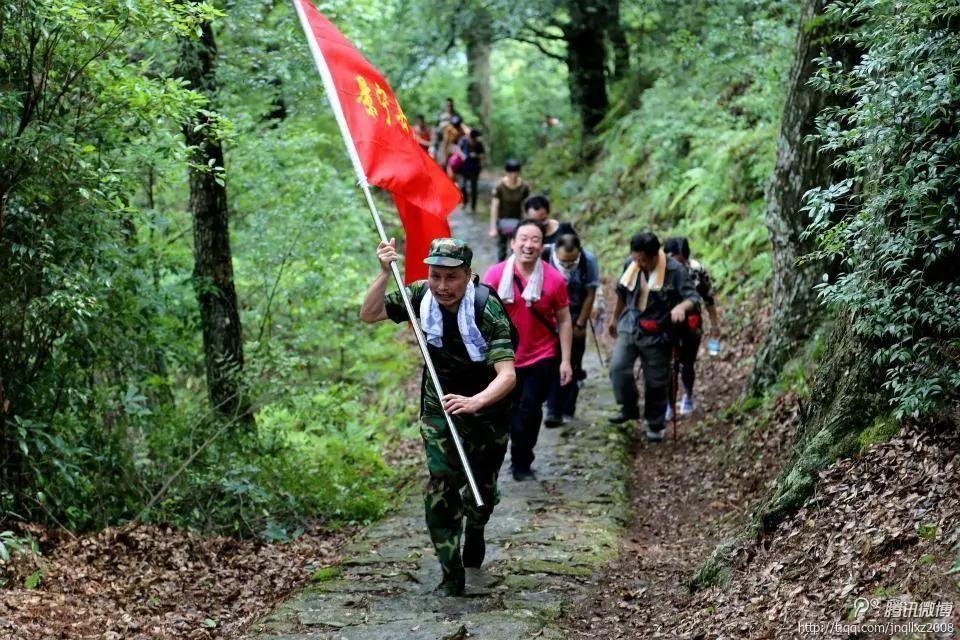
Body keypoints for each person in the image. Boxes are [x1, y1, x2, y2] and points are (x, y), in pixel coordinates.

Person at [360, 237, 517, 596]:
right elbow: (369, 314)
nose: (442, 287)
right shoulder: (417, 295)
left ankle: (476, 526)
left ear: (468, 275)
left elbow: (507, 375)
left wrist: (476, 402)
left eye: (451, 278)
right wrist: (385, 273)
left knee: (483, 489)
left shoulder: (486, 308)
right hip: (440, 407)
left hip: (488, 407)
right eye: (435, 277)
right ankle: (451, 572)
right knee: (442, 484)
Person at [482, 220, 573, 480]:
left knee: (530, 411)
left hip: (540, 357)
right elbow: (482, 315)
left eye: (535, 239)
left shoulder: (554, 279)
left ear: (542, 245)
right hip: (504, 359)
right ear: (512, 243)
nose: (528, 244)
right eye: (523, 238)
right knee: (506, 412)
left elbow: (564, 320)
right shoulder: (496, 275)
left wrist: (565, 361)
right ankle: (506, 455)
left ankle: (522, 462)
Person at [607, 232, 699, 441]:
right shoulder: (630, 264)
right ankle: (628, 408)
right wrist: (614, 318)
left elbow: (693, 297)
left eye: (642, 260)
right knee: (618, 368)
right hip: (630, 324)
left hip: (659, 331)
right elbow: (622, 293)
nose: (638, 263)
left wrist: (681, 307)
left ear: (655, 255)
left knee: (656, 380)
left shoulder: (674, 270)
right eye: (635, 258)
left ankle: (655, 424)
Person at [542, 232, 600, 425]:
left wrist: (581, 323)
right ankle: (552, 410)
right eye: (563, 262)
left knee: (573, 363)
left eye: (571, 261)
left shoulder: (587, 261)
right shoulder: (544, 256)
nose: (567, 266)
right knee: (552, 362)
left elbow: (590, 294)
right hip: (548, 319)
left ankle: (568, 407)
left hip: (575, 316)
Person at [664, 236, 720, 416]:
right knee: (668, 364)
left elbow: (708, 298)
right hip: (666, 320)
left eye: (679, 259)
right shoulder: (659, 270)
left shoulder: (696, 270)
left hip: (691, 321)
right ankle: (669, 403)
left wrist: (714, 324)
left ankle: (688, 395)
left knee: (687, 362)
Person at [489, 160, 532, 260]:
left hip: (518, 221)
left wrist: (529, 223)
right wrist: (493, 227)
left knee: (516, 249)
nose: (513, 175)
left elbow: (528, 206)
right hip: (502, 220)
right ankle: (500, 271)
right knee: (502, 250)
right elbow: (495, 206)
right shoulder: (500, 186)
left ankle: (514, 271)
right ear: (506, 172)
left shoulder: (524, 187)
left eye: (515, 172)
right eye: (510, 172)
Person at [458, 129, 485, 213]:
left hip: (475, 169)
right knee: (462, 186)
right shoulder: (464, 142)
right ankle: (464, 202)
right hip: (464, 168)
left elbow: (483, 155)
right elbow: (459, 151)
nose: (475, 139)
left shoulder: (479, 144)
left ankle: (473, 207)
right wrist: (463, 155)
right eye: (474, 138)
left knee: (474, 188)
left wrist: (476, 155)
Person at [433, 98, 458, 164]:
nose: (449, 107)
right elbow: (436, 127)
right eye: (448, 105)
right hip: (441, 142)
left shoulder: (456, 116)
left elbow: (459, 127)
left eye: (451, 105)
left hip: (453, 141)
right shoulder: (440, 115)